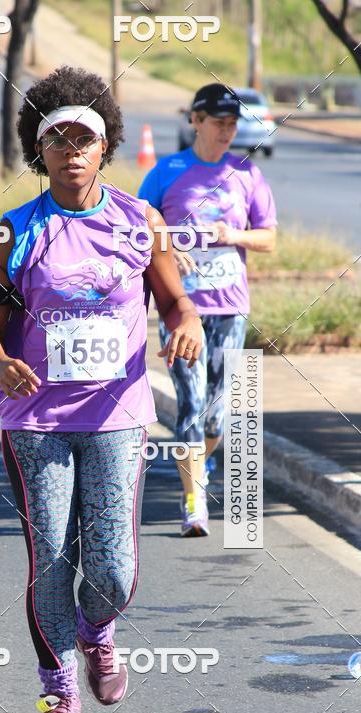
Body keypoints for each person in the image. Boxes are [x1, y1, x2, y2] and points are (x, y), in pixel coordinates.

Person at [0, 66, 202, 713]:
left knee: (112, 568)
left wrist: (184, 323)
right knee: (50, 559)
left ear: (106, 147)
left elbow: (175, 299)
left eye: (85, 139)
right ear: (37, 151)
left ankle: (96, 630)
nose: (72, 151)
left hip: (117, 417)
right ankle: (57, 693)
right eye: (58, 139)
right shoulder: (12, 233)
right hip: (36, 421)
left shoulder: (140, 222)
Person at [138, 83, 277, 537]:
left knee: (217, 412)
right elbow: (139, 229)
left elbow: (269, 238)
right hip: (182, 310)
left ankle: (198, 464)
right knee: (192, 404)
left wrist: (232, 235)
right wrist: (167, 248)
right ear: (195, 120)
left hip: (230, 309)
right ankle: (193, 504)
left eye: (233, 124)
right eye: (219, 123)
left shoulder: (247, 174)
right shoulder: (166, 171)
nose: (227, 131)